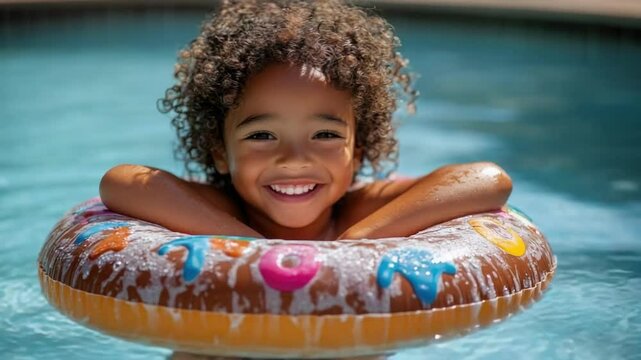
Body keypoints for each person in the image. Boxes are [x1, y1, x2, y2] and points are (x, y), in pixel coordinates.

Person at [99, 0, 512, 242]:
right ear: (220, 153)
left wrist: (354, 244)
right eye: (262, 134)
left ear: (358, 150)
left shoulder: (358, 211)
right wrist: (248, 246)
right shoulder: (223, 210)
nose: (293, 158)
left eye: (325, 134)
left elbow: (488, 179)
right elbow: (120, 182)